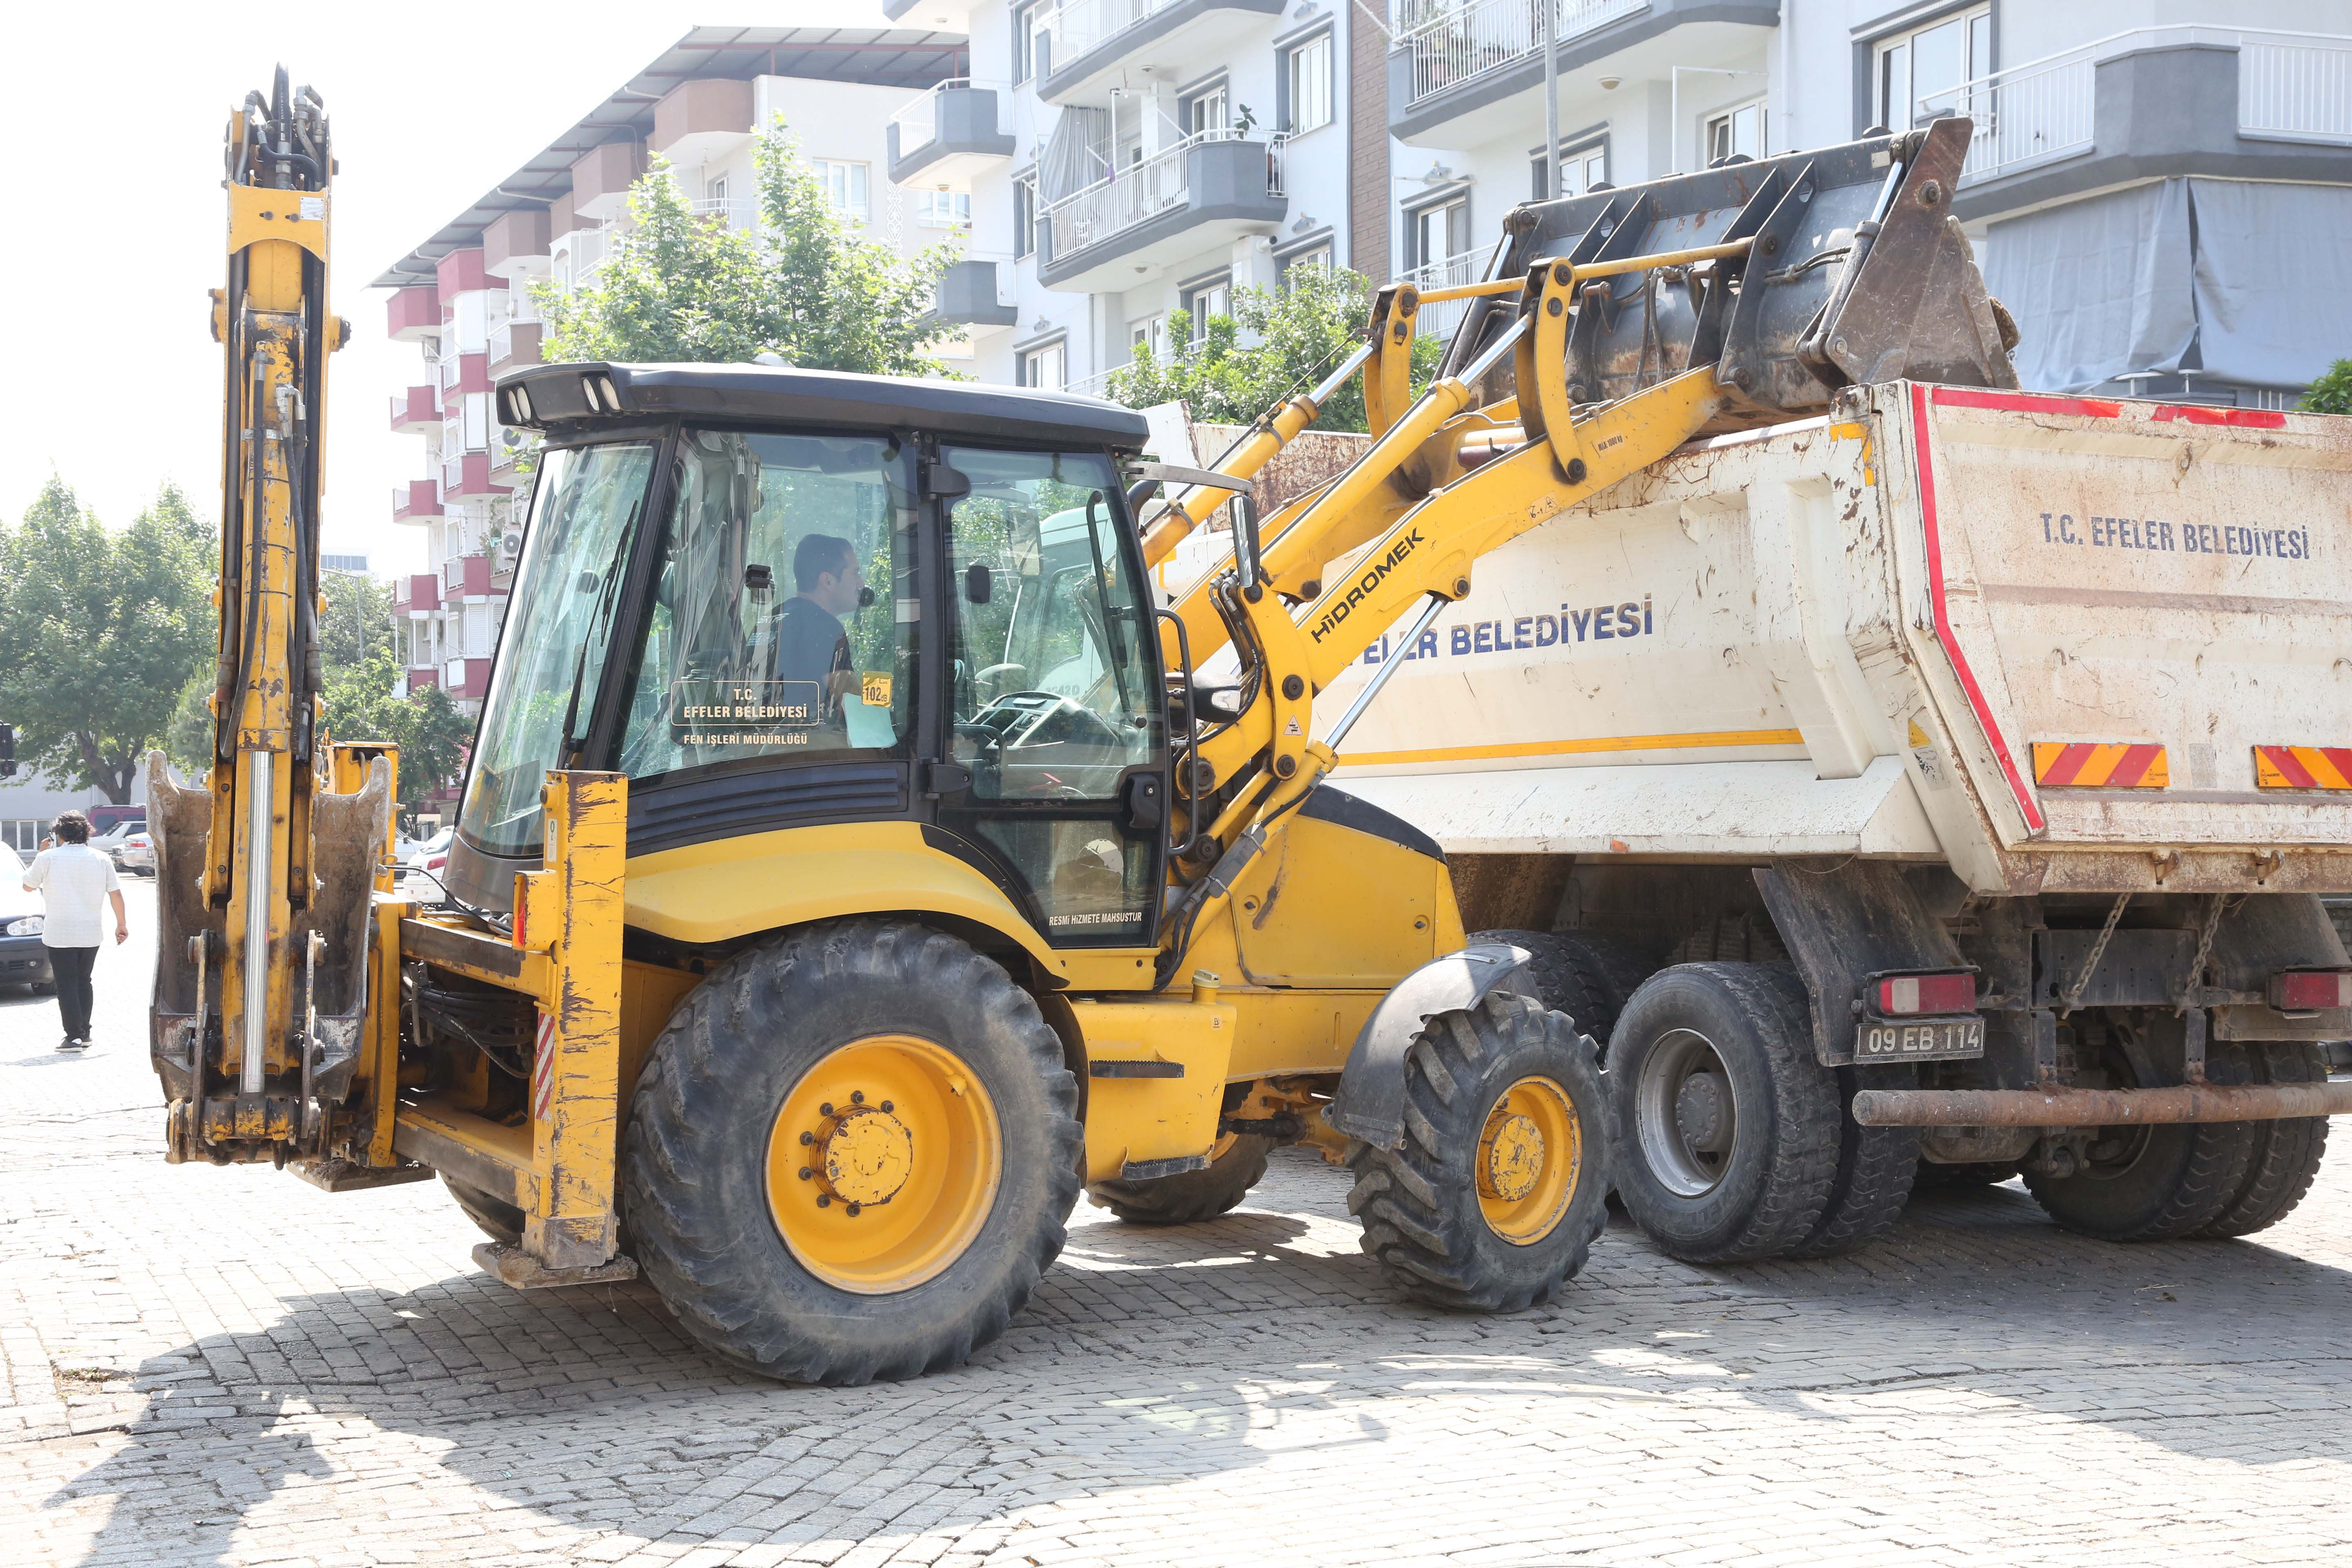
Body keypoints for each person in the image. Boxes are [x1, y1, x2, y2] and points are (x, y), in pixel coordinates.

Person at [22, 810, 127, 1053]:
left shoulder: (47, 858)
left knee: (66, 983)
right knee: (84, 981)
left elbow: (28, 886)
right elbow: (116, 893)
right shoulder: (101, 858)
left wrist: (39, 854)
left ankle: (74, 1037)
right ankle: (85, 1033)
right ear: (87, 833)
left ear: (59, 834)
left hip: (60, 932)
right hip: (91, 932)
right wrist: (121, 924)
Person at [770, 533, 865, 720]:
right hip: (805, 737)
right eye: (855, 574)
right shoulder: (828, 630)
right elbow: (854, 712)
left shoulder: (771, 619)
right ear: (828, 581)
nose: (861, 583)